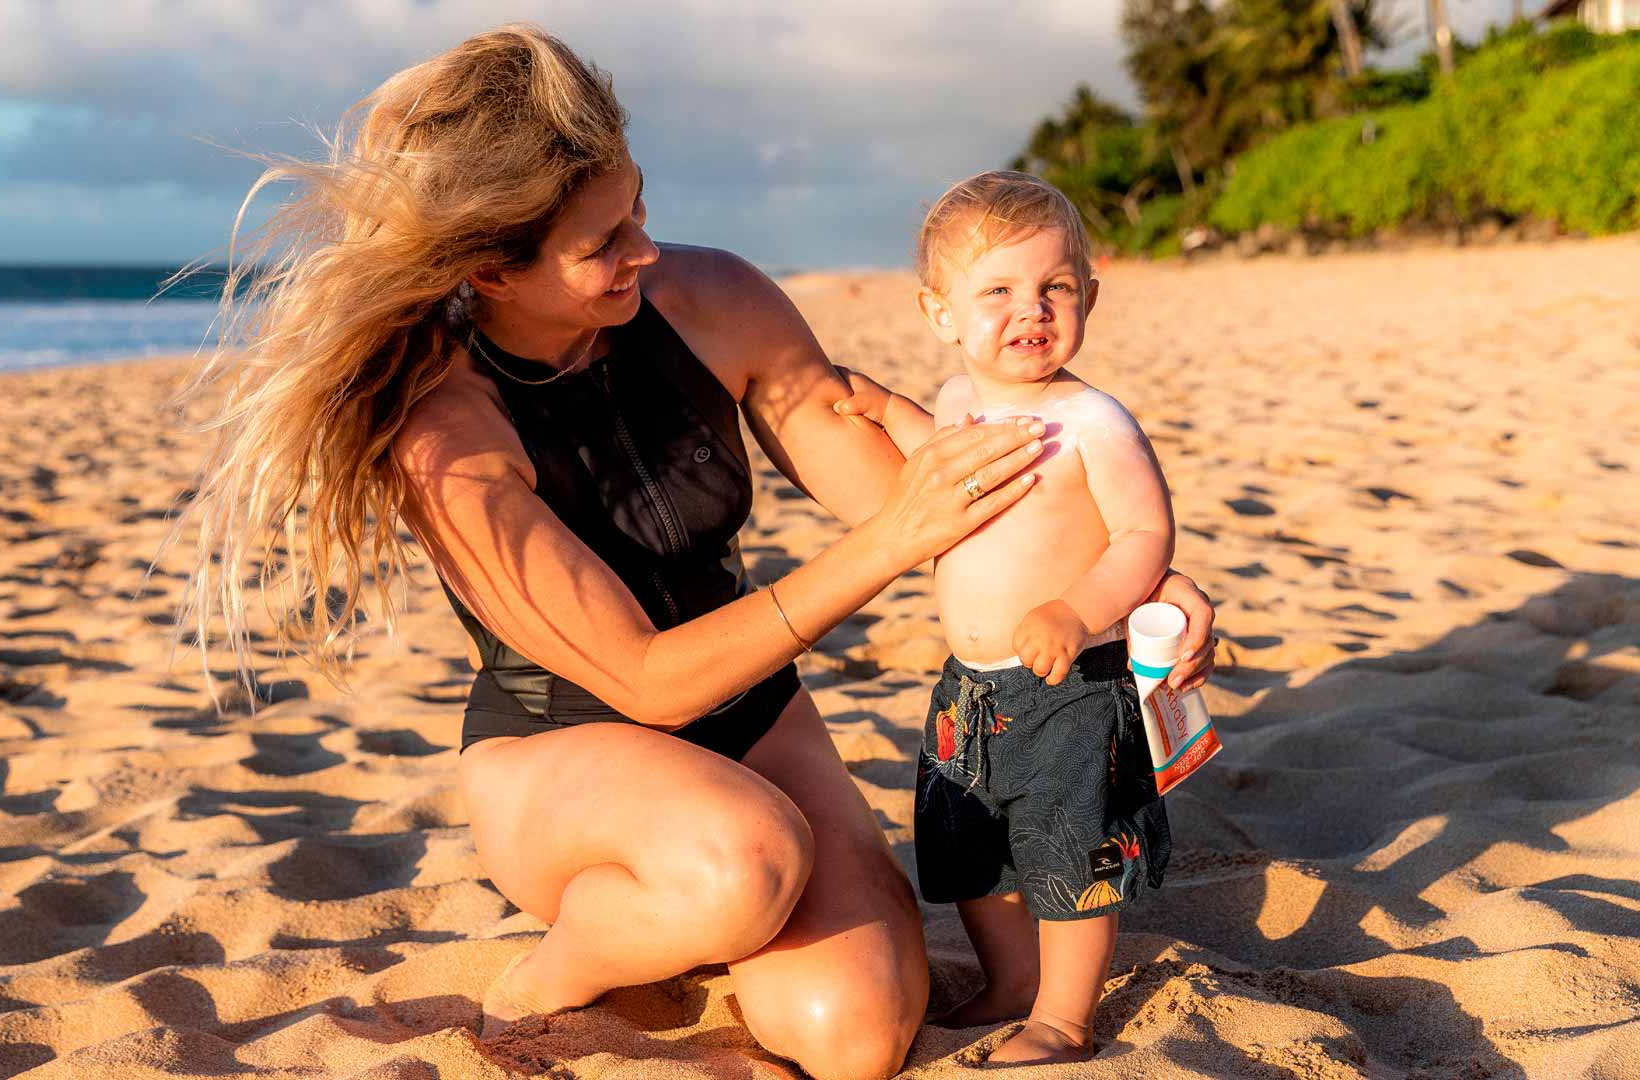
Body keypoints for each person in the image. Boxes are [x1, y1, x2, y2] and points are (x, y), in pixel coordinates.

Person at [172, 27, 1216, 1080]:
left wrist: (1135, 585)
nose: (645, 251)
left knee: (851, 1039)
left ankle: (717, 911)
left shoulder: (712, 299)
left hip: (756, 718)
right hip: (566, 751)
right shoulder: (449, 433)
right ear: (491, 265)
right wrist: (891, 543)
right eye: (602, 243)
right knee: (738, 864)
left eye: (639, 208)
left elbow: (928, 496)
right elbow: (648, 682)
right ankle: (554, 973)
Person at [834, 171, 1177, 1065]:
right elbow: (943, 458)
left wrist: (1080, 607)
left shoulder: (1092, 421)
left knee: (1072, 855)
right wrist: (887, 410)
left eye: (1055, 288)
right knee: (968, 845)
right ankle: (1012, 981)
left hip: (1068, 684)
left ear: (1089, 297)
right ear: (940, 312)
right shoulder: (956, 402)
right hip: (970, 689)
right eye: (999, 291)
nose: (1032, 310)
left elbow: (1145, 532)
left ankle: (1063, 1016)